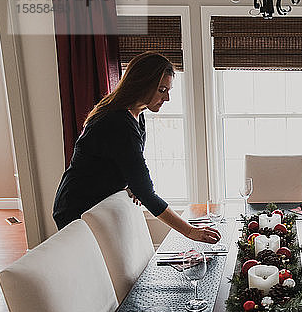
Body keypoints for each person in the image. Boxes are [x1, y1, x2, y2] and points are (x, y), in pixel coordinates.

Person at [53, 51, 220, 244]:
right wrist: (190, 231)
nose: (167, 98)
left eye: (168, 90)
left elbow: (123, 162)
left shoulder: (136, 115)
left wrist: (131, 183)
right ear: (143, 84)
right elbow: (145, 192)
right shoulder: (118, 122)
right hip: (78, 208)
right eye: (162, 90)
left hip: (98, 203)